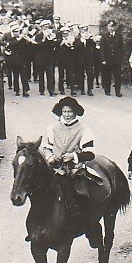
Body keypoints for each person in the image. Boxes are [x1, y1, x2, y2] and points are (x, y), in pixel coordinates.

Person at [41, 97, 101, 247]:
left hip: (75, 170)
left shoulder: (84, 130)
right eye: (64, 112)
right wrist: (49, 157)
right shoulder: (52, 128)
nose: (67, 115)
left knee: (81, 196)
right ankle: (38, 228)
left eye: (70, 112)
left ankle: (89, 229)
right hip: (56, 169)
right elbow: (47, 147)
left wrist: (74, 156)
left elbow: (90, 153)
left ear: (76, 113)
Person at [100, 20, 125, 97]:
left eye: (112, 27)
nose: (111, 28)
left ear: (115, 27)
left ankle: (118, 91)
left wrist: (121, 58)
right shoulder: (104, 36)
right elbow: (102, 49)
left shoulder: (119, 36)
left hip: (116, 60)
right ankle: (107, 90)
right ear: (107, 27)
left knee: (118, 77)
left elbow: (121, 48)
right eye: (109, 27)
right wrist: (103, 59)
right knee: (107, 76)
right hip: (107, 60)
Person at [35, 21, 58, 96]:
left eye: (48, 26)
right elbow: (37, 46)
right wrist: (44, 38)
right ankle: (41, 90)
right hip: (41, 57)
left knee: (50, 74)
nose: (47, 27)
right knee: (41, 75)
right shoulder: (39, 35)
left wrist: (53, 39)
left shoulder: (51, 34)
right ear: (42, 27)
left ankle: (51, 90)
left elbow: (54, 45)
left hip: (50, 57)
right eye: (45, 26)